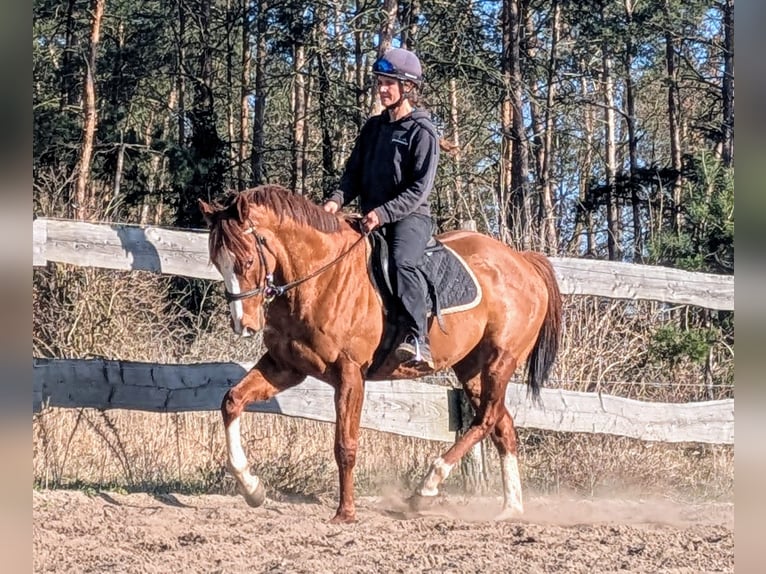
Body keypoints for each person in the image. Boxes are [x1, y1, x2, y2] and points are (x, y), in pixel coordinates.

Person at [323, 47, 439, 369]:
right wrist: (335, 201)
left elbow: (419, 189)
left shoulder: (422, 132)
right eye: (380, 82)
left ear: (408, 87)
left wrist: (384, 213)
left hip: (409, 218)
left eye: (389, 82)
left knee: (402, 263)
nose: (382, 89)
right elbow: (353, 175)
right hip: (370, 216)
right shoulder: (373, 128)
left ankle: (418, 339)